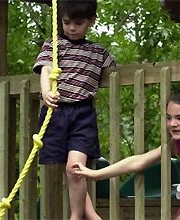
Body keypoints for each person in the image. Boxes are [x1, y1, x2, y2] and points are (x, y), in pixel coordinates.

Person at [72, 89, 180, 219]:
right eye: (168, 117)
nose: (172, 124)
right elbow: (138, 161)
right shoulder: (177, 144)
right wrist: (95, 174)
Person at [33, 0, 116, 219]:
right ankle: (92, 216)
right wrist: (46, 92)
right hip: (57, 111)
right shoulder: (53, 44)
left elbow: (117, 71)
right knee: (70, 171)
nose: (71, 28)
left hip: (82, 114)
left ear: (91, 21)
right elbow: (45, 70)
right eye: (67, 22)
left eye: (78, 23)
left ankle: (76, 216)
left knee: (75, 168)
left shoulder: (98, 52)